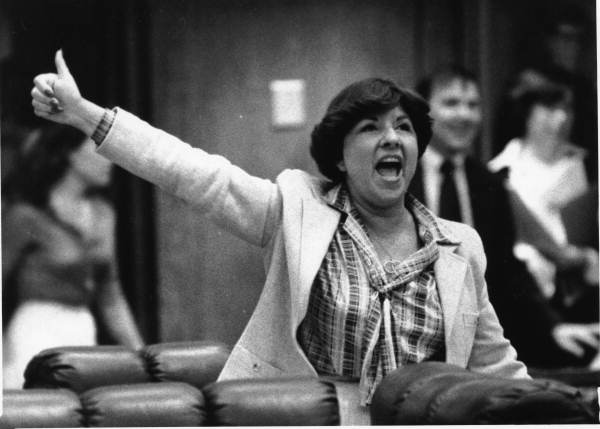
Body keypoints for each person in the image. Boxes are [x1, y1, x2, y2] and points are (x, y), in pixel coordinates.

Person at [31, 50, 527, 424]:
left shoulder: (459, 247)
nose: (392, 138)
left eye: (404, 127)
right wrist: (85, 115)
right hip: (306, 419)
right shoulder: (297, 210)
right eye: (370, 129)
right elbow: (193, 174)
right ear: (338, 158)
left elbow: (496, 367)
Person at [409, 65, 599, 368]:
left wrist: (551, 326)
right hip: (411, 342)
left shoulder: (490, 185)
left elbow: (507, 271)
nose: (464, 115)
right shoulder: (400, 178)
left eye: (473, 105)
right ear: (423, 111)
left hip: (476, 348)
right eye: (451, 103)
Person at [2, 123, 144, 389]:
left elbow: (111, 297)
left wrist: (143, 357)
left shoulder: (104, 213)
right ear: (71, 154)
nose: (110, 161)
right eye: (100, 150)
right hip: (35, 331)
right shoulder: (26, 214)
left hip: (83, 331)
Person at [488, 76, 599, 328]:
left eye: (567, 109)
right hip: (524, 304)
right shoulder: (500, 173)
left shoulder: (587, 166)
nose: (561, 119)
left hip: (583, 296)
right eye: (550, 109)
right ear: (527, 113)